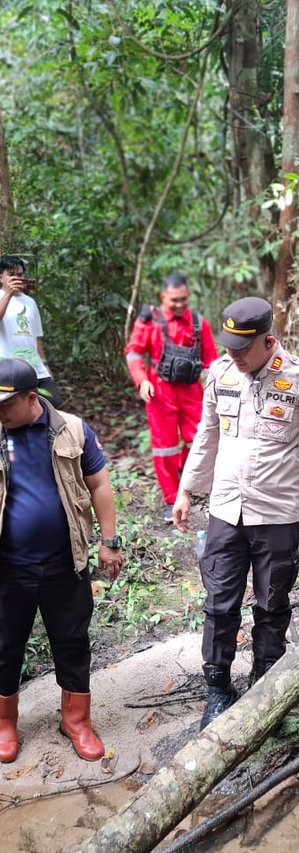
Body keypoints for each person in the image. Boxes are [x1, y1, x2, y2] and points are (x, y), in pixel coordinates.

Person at [173, 296, 299, 729]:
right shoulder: (221, 373)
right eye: (228, 347)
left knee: (272, 603)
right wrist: (187, 489)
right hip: (226, 509)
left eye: (241, 349)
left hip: (278, 513)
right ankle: (218, 687)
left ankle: (266, 683)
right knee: (219, 604)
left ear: (268, 340)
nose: (233, 356)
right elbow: (206, 435)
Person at [0, 357, 123, 763]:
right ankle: (4, 724)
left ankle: (76, 721)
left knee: (72, 643)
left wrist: (109, 541)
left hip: (64, 563)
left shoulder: (71, 429)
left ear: (31, 398)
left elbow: (99, 483)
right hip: (8, 568)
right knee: (4, 645)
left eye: (5, 406)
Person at [125, 272, 218, 522]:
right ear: (163, 297)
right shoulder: (149, 321)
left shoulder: (199, 322)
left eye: (183, 300)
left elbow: (212, 361)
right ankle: (170, 498)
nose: (179, 305)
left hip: (192, 391)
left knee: (198, 439)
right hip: (159, 390)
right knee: (164, 446)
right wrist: (141, 379)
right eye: (174, 300)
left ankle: (189, 484)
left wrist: (217, 389)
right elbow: (134, 352)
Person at [0, 255, 60, 407]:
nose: (17, 278)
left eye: (19, 275)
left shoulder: (30, 302)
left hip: (35, 366)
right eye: (11, 275)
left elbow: (37, 338)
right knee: (15, 409)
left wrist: (46, 366)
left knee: (52, 402)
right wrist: (8, 293)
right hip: (9, 368)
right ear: (1, 277)